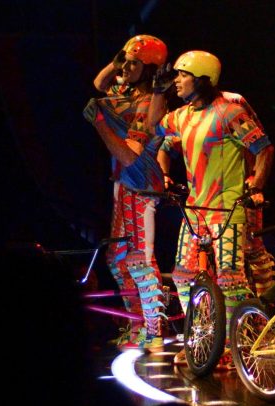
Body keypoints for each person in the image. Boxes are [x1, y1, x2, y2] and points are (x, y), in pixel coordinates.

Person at [153, 50, 275, 368]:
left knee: (230, 279)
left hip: (227, 208)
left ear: (202, 78)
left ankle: (241, 343)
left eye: (182, 74)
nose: (176, 80)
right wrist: (164, 173)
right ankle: (202, 338)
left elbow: (263, 147)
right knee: (181, 275)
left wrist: (257, 185)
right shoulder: (181, 115)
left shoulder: (229, 109)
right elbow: (161, 140)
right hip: (196, 209)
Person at [83, 35, 169, 351]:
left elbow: (129, 156)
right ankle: (137, 325)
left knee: (139, 259)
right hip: (124, 186)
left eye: (134, 63)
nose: (126, 68)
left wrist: (100, 123)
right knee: (116, 259)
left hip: (141, 186)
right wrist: (121, 57)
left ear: (150, 70)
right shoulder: (127, 93)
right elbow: (99, 82)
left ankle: (154, 331)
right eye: (126, 61)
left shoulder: (149, 105)